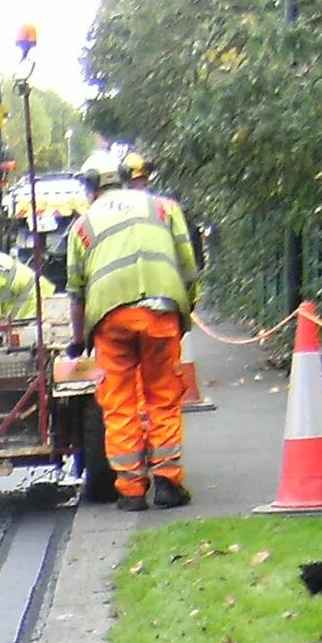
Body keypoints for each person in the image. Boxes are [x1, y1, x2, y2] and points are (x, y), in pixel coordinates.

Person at [65, 149, 204, 511]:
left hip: (110, 318)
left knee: (120, 402)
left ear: (91, 187)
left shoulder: (82, 226)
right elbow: (188, 266)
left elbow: (76, 292)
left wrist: (78, 340)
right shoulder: (163, 208)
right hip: (161, 311)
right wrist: (185, 310)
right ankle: (168, 486)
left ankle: (130, 492)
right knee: (163, 394)